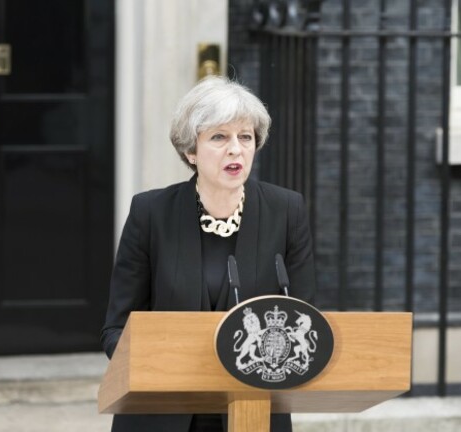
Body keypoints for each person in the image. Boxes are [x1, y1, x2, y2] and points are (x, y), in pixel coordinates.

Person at [101, 75, 316, 432]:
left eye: (245, 137)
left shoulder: (287, 211)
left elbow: (307, 320)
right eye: (219, 137)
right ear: (191, 150)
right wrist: (160, 364)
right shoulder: (151, 213)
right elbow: (116, 329)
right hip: (161, 413)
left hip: (253, 412)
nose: (236, 149)